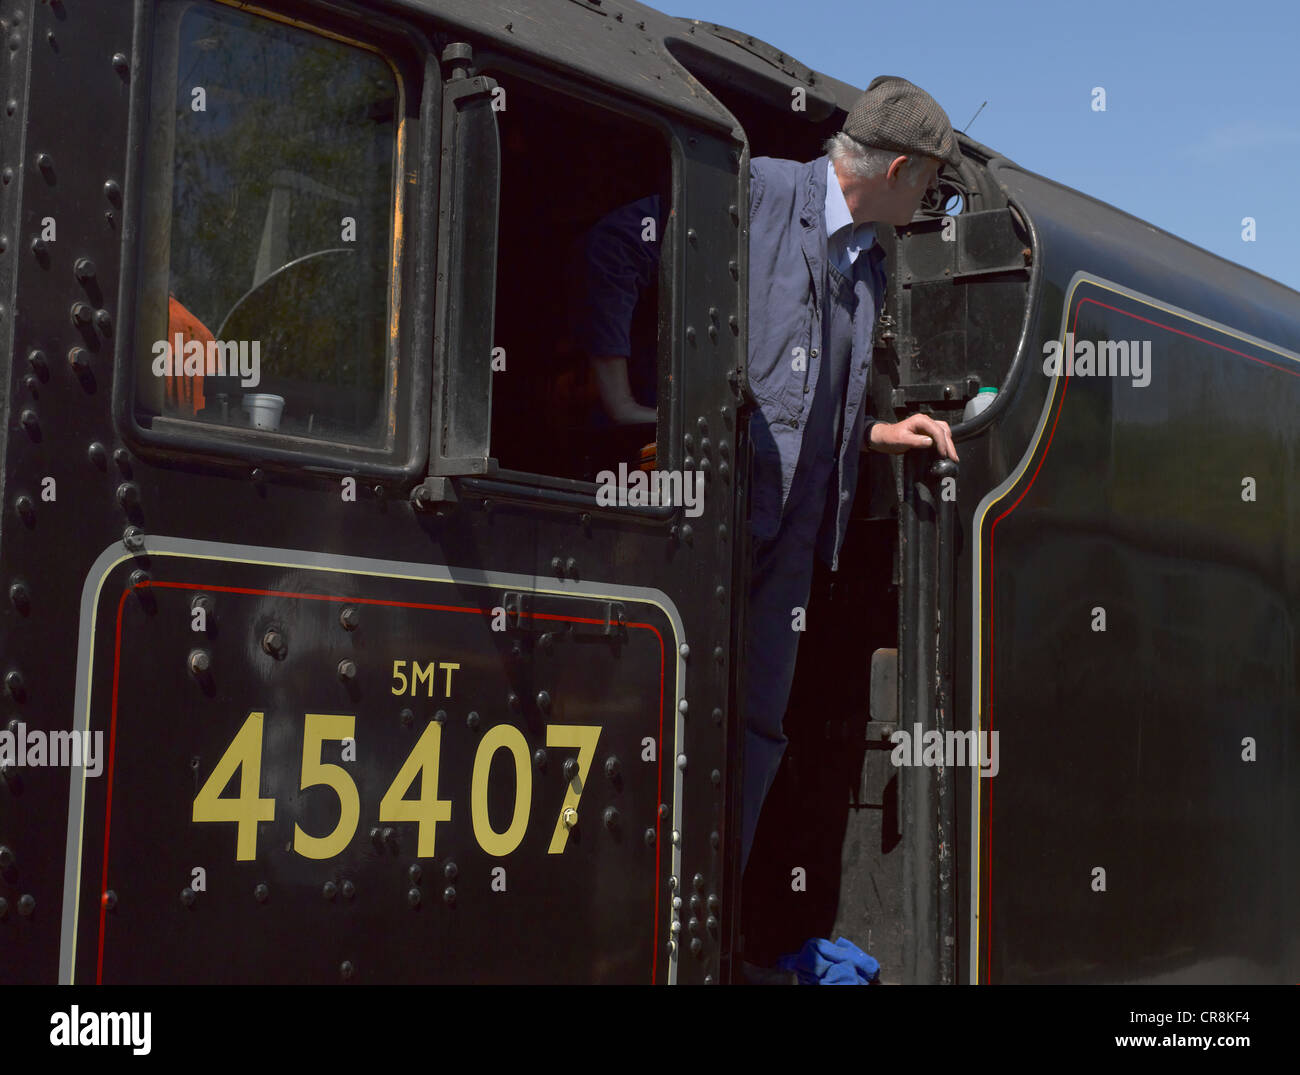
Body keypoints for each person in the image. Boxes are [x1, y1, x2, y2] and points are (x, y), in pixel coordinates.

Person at [579, 76, 962, 880]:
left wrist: (879, 432)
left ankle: (716, 921)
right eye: (930, 180)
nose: (931, 199)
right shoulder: (754, 192)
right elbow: (617, 245)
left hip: (786, 549)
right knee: (660, 720)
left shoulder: (866, 267)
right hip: (702, 529)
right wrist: (621, 394)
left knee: (754, 731)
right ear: (899, 173)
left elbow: (806, 403)